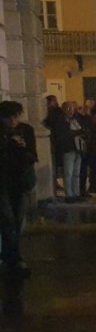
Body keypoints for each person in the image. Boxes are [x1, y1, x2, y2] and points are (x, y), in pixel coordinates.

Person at [0, 101, 36, 278]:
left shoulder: (25, 130)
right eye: (9, 117)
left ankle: (10, 255)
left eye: (16, 116)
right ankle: (14, 259)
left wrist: (23, 148)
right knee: (8, 220)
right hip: (3, 183)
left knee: (17, 220)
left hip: (19, 181)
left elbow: (32, 156)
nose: (13, 120)